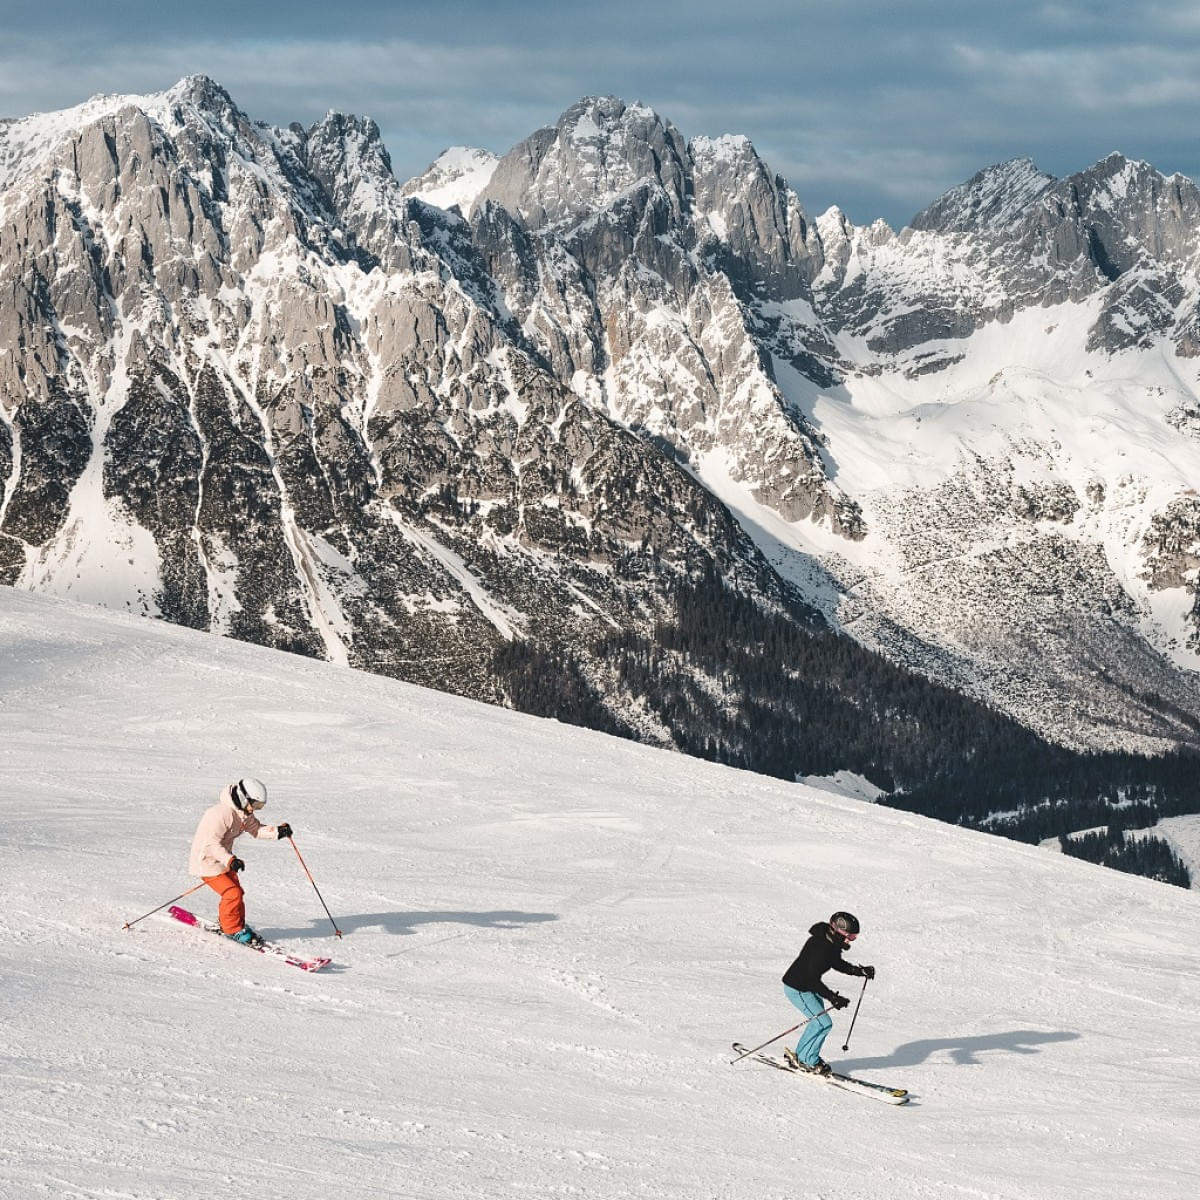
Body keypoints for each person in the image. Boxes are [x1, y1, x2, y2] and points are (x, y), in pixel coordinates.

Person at [188, 777, 293, 945]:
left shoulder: (243, 813)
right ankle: (231, 929)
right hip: (206, 861)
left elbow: (256, 830)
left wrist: (277, 832)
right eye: (256, 805)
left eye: (260, 807)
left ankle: (236, 924)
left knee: (237, 892)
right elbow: (211, 844)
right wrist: (230, 860)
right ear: (244, 798)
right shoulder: (220, 814)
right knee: (232, 893)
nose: (255, 810)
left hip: (223, 859)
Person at [780, 911, 875, 1074]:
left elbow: (836, 962)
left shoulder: (830, 942)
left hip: (807, 987)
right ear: (837, 931)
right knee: (823, 1023)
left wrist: (858, 971)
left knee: (818, 1022)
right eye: (850, 936)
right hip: (799, 989)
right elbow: (812, 979)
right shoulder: (820, 946)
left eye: (854, 937)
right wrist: (833, 997)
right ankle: (808, 1060)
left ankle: (803, 1056)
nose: (851, 940)